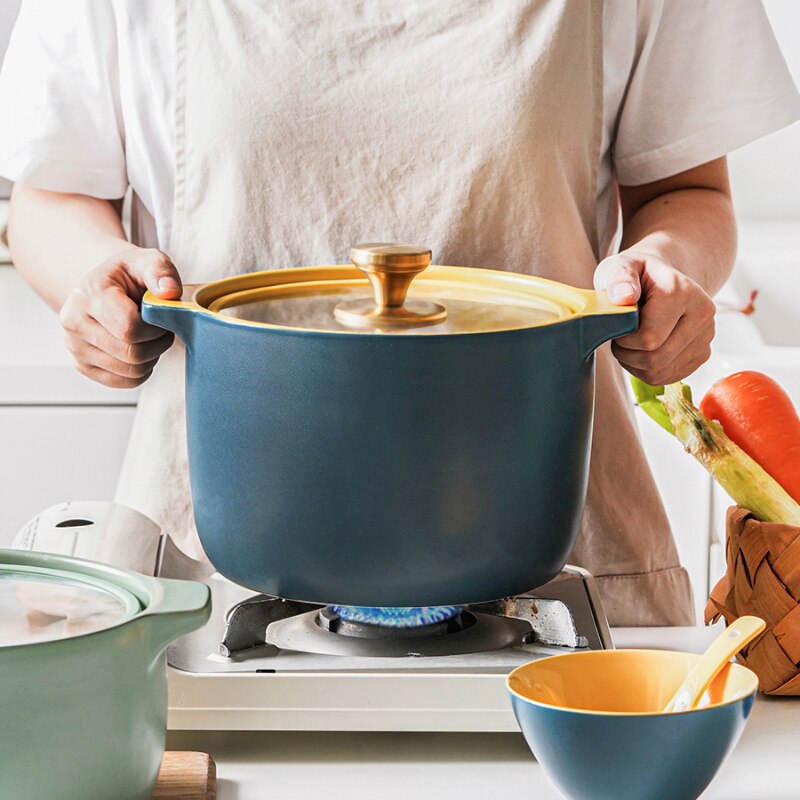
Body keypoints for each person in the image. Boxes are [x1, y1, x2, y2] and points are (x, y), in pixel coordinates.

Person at [1, 1, 798, 626]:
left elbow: (685, 193)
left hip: (553, 537)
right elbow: (49, 199)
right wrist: (92, 281)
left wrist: (665, 271)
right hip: (213, 542)